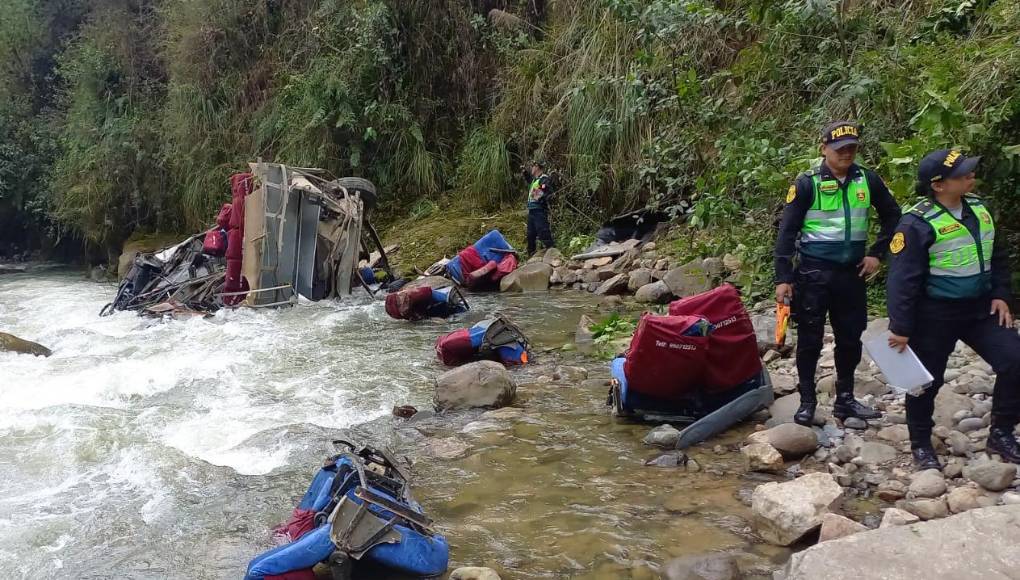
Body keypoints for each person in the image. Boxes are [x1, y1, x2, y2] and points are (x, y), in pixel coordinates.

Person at [887, 149, 1020, 470]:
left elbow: (997, 255)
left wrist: (1003, 295)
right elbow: (902, 280)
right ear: (938, 185)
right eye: (962, 175)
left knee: (1015, 361)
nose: (971, 177)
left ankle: (1000, 433)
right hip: (934, 315)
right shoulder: (916, 223)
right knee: (924, 383)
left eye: (970, 172)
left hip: (980, 309)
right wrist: (901, 328)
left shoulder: (979, 209)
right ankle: (921, 444)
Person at [775, 121, 902, 426]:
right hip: (813, 274)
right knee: (810, 339)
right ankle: (807, 402)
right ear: (824, 150)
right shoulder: (807, 183)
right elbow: (787, 231)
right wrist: (783, 278)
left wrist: (876, 253)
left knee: (850, 338)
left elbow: (893, 215)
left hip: (852, 274)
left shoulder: (867, 180)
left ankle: (845, 399)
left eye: (851, 149)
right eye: (840, 149)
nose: (846, 154)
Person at [522, 160, 555, 255]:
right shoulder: (535, 180)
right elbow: (529, 180)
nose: (531, 168)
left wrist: (536, 195)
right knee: (530, 234)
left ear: (537, 167)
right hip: (532, 211)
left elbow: (548, 193)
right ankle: (531, 254)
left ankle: (552, 252)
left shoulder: (544, 179)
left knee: (543, 231)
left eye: (533, 166)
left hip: (539, 210)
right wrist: (524, 172)